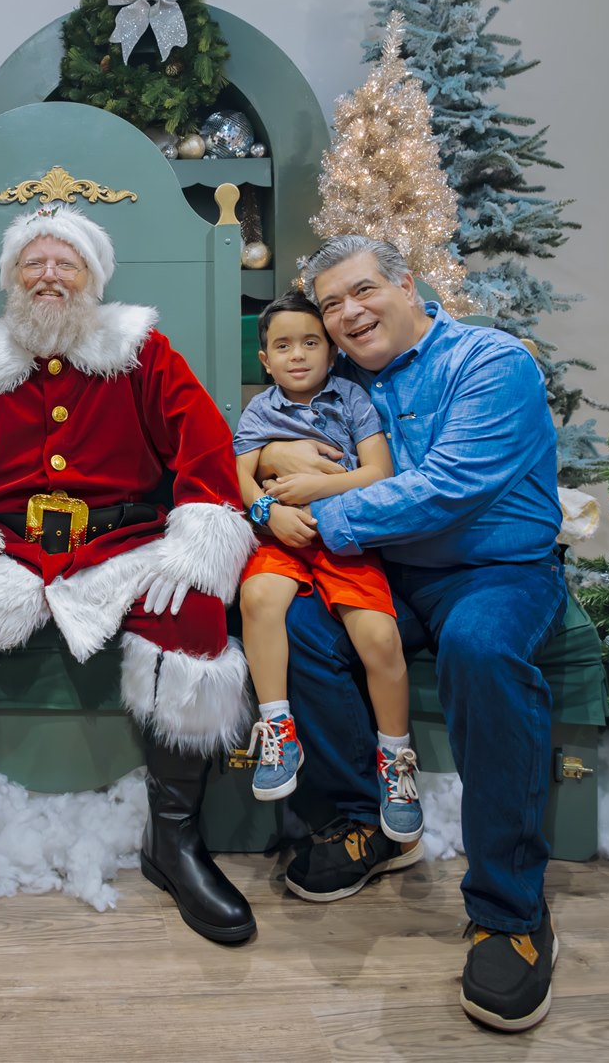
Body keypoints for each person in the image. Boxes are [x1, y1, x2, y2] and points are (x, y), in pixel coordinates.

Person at [0, 203, 256, 958]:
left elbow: (205, 453)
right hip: (0, 551)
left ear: (93, 279)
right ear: (10, 280)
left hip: (121, 547)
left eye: (65, 263)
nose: (49, 276)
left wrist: (194, 547)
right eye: (33, 264)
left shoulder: (144, 354)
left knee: (195, 612)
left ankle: (175, 842)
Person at [263, 235, 565, 1033]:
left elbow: (447, 489)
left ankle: (510, 910)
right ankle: (372, 822)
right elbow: (262, 445)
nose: (348, 313)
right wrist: (270, 482)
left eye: (362, 291)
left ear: (407, 284)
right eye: (331, 304)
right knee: (299, 626)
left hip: (496, 571)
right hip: (392, 575)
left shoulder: (490, 363)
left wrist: (311, 513)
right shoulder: (346, 381)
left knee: (482, 650)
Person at [233, 292, 421, 851]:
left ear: (332, 349)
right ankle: (277, 729)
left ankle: (395, 760)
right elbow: (240, 474)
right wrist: (268, 512)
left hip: (345, 541)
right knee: (260, 599)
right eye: (282, 346)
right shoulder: (259, 410)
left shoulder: (354, 401)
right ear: (264, 359)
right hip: (286, 536)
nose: (297, 356)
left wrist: (320, 486)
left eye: (311, 342)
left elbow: (380, 472)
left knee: (379, 636)